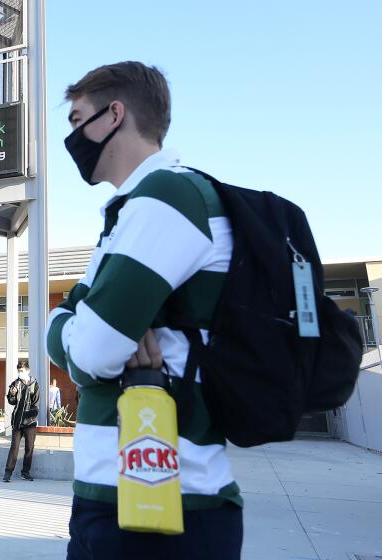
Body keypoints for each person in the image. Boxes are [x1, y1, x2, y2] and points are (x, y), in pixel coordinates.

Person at [48, 61, 241, 558]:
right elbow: (64, 319)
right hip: (111, 498)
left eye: (76, 121)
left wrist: (75, 323)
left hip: (166, 509)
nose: (71, 138)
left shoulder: (167, 197)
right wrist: (73, 320)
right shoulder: (129, 213)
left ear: (114, 115)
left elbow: (90, 352)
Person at [3, 363, 39, 482]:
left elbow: (36, 404)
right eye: (18, 370)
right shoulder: (15, 383)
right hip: (17, 421)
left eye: (22, 370)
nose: (20, 372)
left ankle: (25, 472)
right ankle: (8, 473)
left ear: (27, 370)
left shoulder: (34, 384)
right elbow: (11, 401)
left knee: (29, 448)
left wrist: (29, 417)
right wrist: (12, 395)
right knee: (14, 447)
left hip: (30, 422)